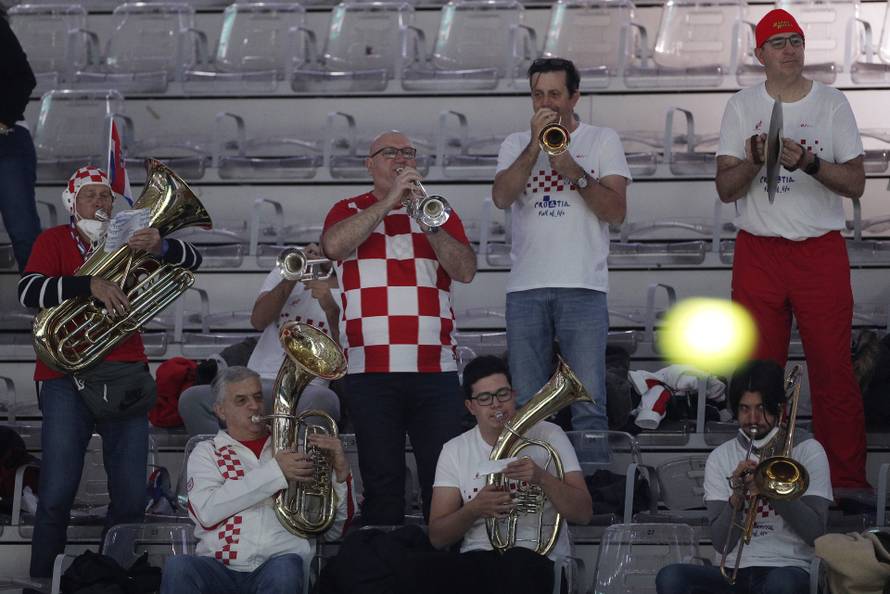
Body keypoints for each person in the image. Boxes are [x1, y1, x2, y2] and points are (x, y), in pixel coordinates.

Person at [17, 165, 203, 580]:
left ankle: (111, 579)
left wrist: (163, 246)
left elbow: (194, 260)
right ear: (72, 202)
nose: (100, 202)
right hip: (62, 375)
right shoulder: (53, 241)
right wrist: (89, 287)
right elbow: (28, 291)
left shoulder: (132, 239)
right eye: (90, 195)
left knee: (131, 495)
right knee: (57, 490)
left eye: (106, 195)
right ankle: (43, 579)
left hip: (123, 371)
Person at [714, 9, 868, 490]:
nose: (789, 49)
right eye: (778, 43)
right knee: (757, 375)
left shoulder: (832, 103)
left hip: (817, 249)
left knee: (833, 371)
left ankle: (843, 482)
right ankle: (759, 478)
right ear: (759, 54)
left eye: (796, 40)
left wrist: (812, 163)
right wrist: (756, 160)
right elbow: (725, 188)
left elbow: (857, 184)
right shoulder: (741, 104)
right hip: (759, 249)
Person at [321, 130, 476, 525]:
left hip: (434, 370)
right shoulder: (347, 208)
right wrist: (390, 201)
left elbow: (465, 270)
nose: (401, 159)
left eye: (408, 152)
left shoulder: (437, 211)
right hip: (370, 371)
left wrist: (426, 219)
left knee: (441, 483)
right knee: (383, 483)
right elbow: (334, 247)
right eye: (389, 152)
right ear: (369, 164)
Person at [491, 57, 631, 431]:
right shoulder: (514, 144)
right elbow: (502, 197)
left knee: (589, 402)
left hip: (583, 285)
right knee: (528, 403)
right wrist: (534, 148)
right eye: (538, 95)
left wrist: (573, 171)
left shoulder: (602, 140)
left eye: (555, 94)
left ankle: (592, 487)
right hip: (525, 288)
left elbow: (616, 211)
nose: (546, 103)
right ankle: (531, 486)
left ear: (575, 97)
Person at [161, 366, 354, 594]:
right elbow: (207, 513)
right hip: (218, 569)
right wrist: (276, 472)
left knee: (286, 569)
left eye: (257, 397)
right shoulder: (207, 452)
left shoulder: (299, 449)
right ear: (221, 411)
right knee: (178, 566)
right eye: (241, 400)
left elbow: (333, 531)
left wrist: (341, 475)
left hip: (279, 568)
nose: (254, 406)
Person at [415, 355, 592, 594]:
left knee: (515, 562)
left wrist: (542, 478)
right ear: (470, 406)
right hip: (479, 563)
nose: (497, 404)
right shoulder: (454, 450)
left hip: (543, 561)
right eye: (485, 398)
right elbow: (438, 537)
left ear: (514, 394)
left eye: (503, 394)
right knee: (423, 570)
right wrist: (474, 508)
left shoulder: (551, 435)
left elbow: (583, 514)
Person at [655, 360, 832, 594]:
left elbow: (815, 534)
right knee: (670, 577)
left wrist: (770, 489)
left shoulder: (808, 450)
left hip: (790, 567)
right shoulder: (720, 457)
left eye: (761, 408)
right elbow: (722, 544)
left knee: (781, 585)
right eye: (744, 409)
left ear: (778, 408)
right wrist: (736, 498)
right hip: (732, 570)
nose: (752, 419)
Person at [177, 243, 341, 436]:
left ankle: (296, 464)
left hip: (307, 388)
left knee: (323, 400)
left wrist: (331, 309)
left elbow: (342, 357)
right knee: (192, 399)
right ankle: (221, 459)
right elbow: (258, 320)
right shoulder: (289, 270)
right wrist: (291, 277)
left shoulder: (356, 284)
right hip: (257, 380)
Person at [0, 7, 41, 273]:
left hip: (7, 141)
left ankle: (47, 310)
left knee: (24, 231)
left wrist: (2, 121)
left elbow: (24, 78)